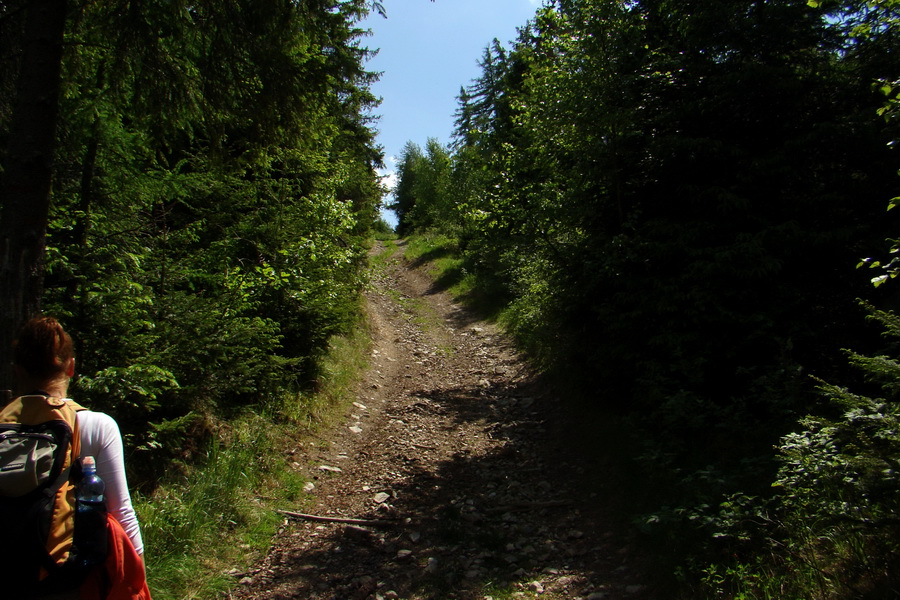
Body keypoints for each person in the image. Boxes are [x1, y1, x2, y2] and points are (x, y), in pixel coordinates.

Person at [12, 315, 148, 599]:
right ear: (71, 367)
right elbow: (121, 512)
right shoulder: (96, 425)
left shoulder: (4, 428)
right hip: (70, 579)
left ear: (18, 370)